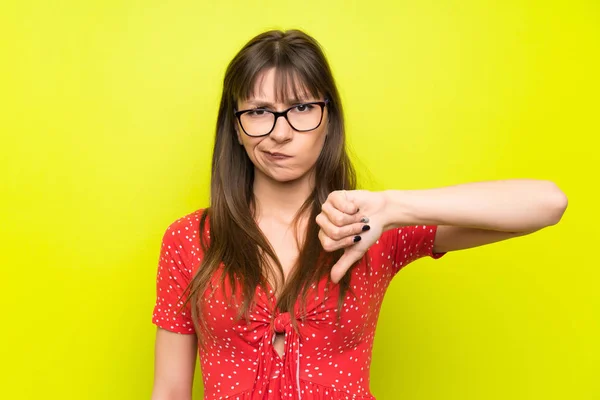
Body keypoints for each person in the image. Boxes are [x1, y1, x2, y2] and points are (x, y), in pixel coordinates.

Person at [150, 29, 567, 400]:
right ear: (236, 129)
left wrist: (393, 208)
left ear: (329, 120)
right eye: (257, 112)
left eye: (300, 108)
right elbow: (169, 389)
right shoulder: (188, 239)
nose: (279, 132)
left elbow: (547, 203)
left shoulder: (373, 225)